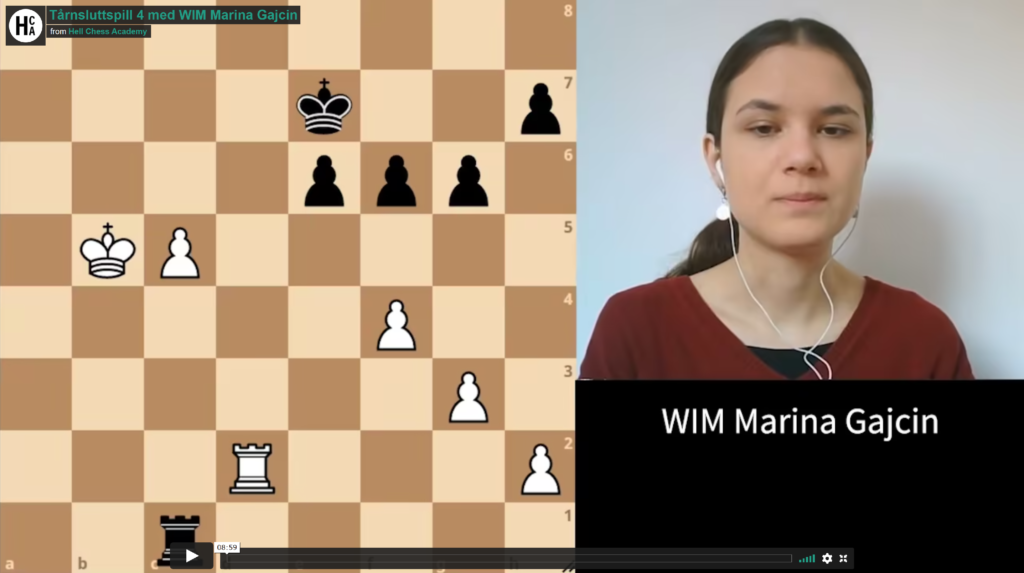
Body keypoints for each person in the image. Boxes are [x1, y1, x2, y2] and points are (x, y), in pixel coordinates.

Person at [581, 18, 974, 380]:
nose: (802, 157)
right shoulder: (635, 330)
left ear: (865, 156)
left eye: (833, 130)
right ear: (716, 159)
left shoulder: (925, 339)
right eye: (764, 128)